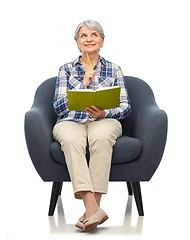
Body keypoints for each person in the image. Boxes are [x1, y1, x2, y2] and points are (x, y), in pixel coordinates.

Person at [52, 20, 131, 232]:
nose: (89, 39)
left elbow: (125, 106)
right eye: (83, 36)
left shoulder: (114, 69)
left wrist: (106, 112)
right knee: (70, 139)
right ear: (77, 43)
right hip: (71, 121)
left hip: (104, 120)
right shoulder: (65, 69)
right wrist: (83, 84)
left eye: (94, 35)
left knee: (102, 137)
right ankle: (94, 208)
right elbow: (59, 107)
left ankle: (90, 213)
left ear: (102, 41)